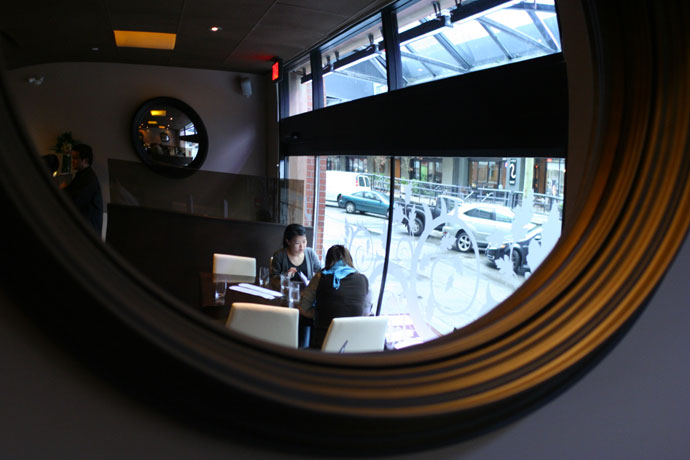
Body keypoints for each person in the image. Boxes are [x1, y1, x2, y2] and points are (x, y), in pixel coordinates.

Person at [299, 245, 372, 349]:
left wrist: (322, 313)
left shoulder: (320, 277)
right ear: (349, 260)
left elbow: (303, 308)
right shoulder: (363, 280)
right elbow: (365, 313)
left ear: (328, 261)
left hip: (323, 343)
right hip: (352, 344)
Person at [63, 143, 103, 234]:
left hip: (87, 232)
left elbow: (75, 200)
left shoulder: (88, 179)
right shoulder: (82, 175)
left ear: (85, 160)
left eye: (75, 158)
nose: (72, 161)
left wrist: (63, 189)